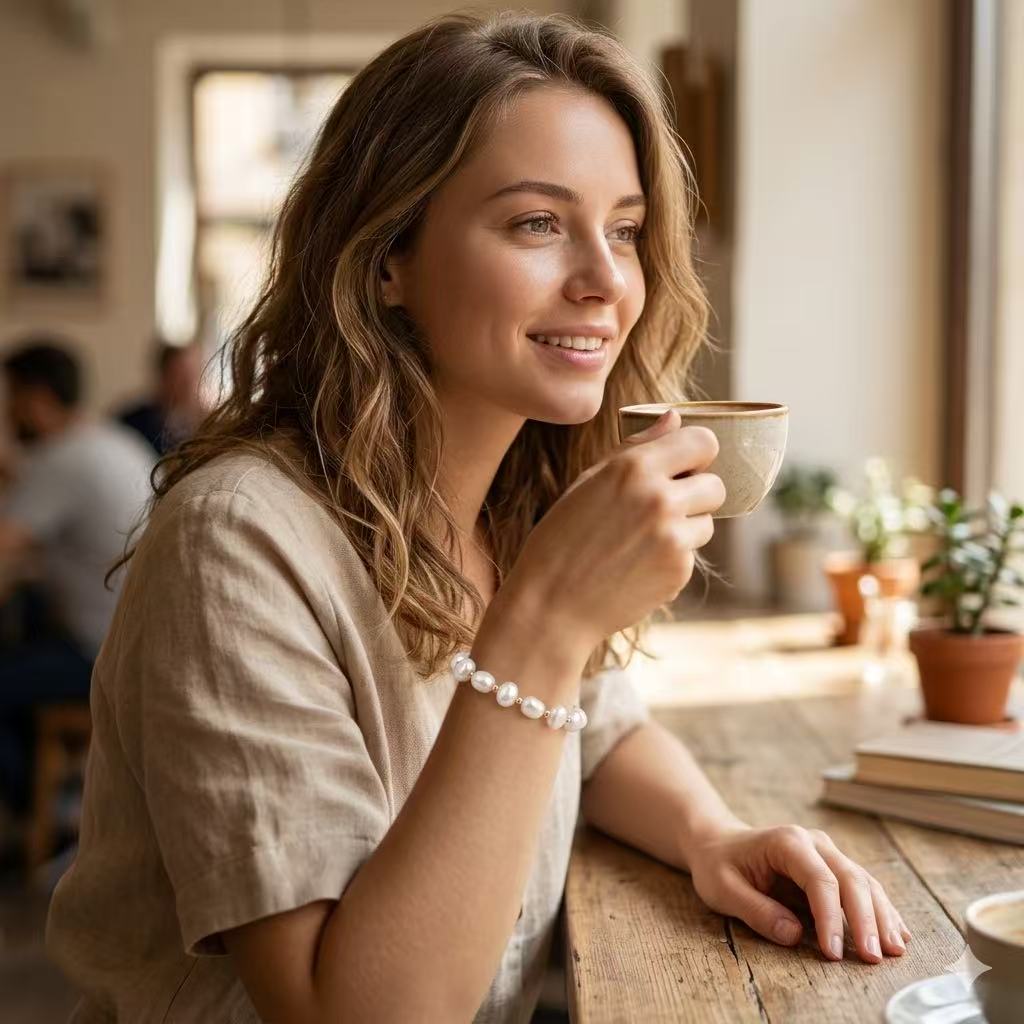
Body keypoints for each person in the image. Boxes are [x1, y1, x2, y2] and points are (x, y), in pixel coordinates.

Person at [45, 12, 911, 1023]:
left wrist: (711, 834)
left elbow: (600, 731)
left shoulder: (513, 496)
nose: (603, 280)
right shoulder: (236, 542)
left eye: (625, 229)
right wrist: (541, 623)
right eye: (537, 222)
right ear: (385, 258)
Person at [0, 338, 154, 816]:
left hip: (101, 652)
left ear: (38, 399)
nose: (8, 414)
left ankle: (47, 813)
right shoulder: (111, 441)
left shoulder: (61, 461)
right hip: (143, 644)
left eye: (12, 399)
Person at [115, 338, 205, 455]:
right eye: (181, 375)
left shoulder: (203, 427)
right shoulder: (131, 423)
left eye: (194, 374)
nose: (188, 384)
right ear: (163, 375)